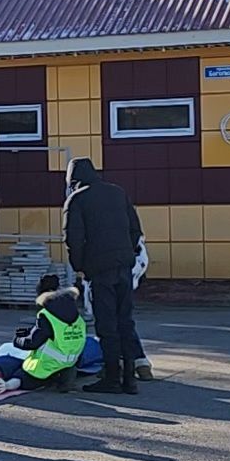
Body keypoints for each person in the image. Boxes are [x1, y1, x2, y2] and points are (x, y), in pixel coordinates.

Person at [62, 157, 144, 395]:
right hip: (124, 266)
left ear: (73, 180)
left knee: (106, 324)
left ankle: (112, 377)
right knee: (125, 321)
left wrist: (81, 266)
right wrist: (125, 252)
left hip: (99, 269)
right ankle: (130, 378)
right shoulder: (118, 193)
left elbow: (73, 239)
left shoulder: (76, 199)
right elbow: (135, 229)